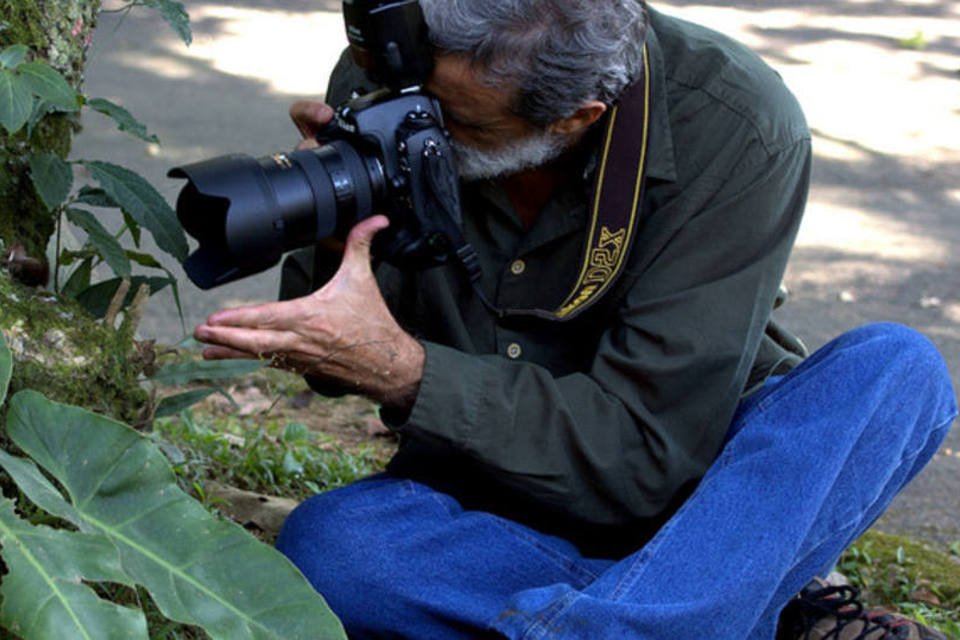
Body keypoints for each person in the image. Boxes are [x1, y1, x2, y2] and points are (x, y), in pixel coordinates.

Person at [193, 1, 958, 638]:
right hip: (494, 497)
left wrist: (409, 373)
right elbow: (335, 351)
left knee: (897, 370)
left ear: (574, 118)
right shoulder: (392, 76)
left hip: (698, 482)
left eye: (455, 124)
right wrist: (333, 238)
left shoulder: (735, 125)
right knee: (336, 548)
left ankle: (657, 609)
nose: (419, 127)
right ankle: (738, 602)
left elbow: (646, 457)